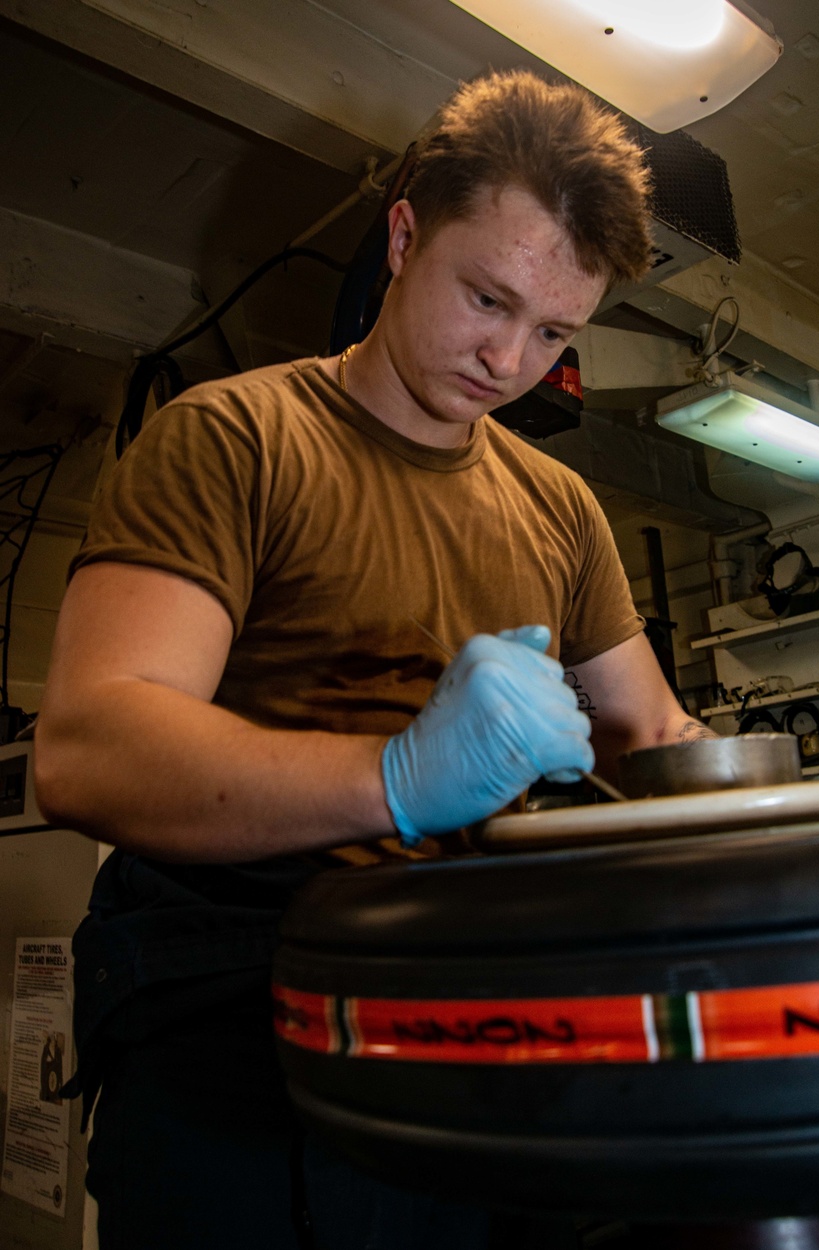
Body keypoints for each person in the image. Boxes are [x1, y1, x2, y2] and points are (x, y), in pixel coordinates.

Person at [33, 70, 714, 1250]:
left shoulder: (558, 506)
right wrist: (395, 775)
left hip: (479, 1021)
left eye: (553, 330)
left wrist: (799, 834)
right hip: (243, 1019)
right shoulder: (234, 436)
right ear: (404, 235)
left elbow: (652, 739)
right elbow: (90, 748)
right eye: (486, 298)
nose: (508, 359)